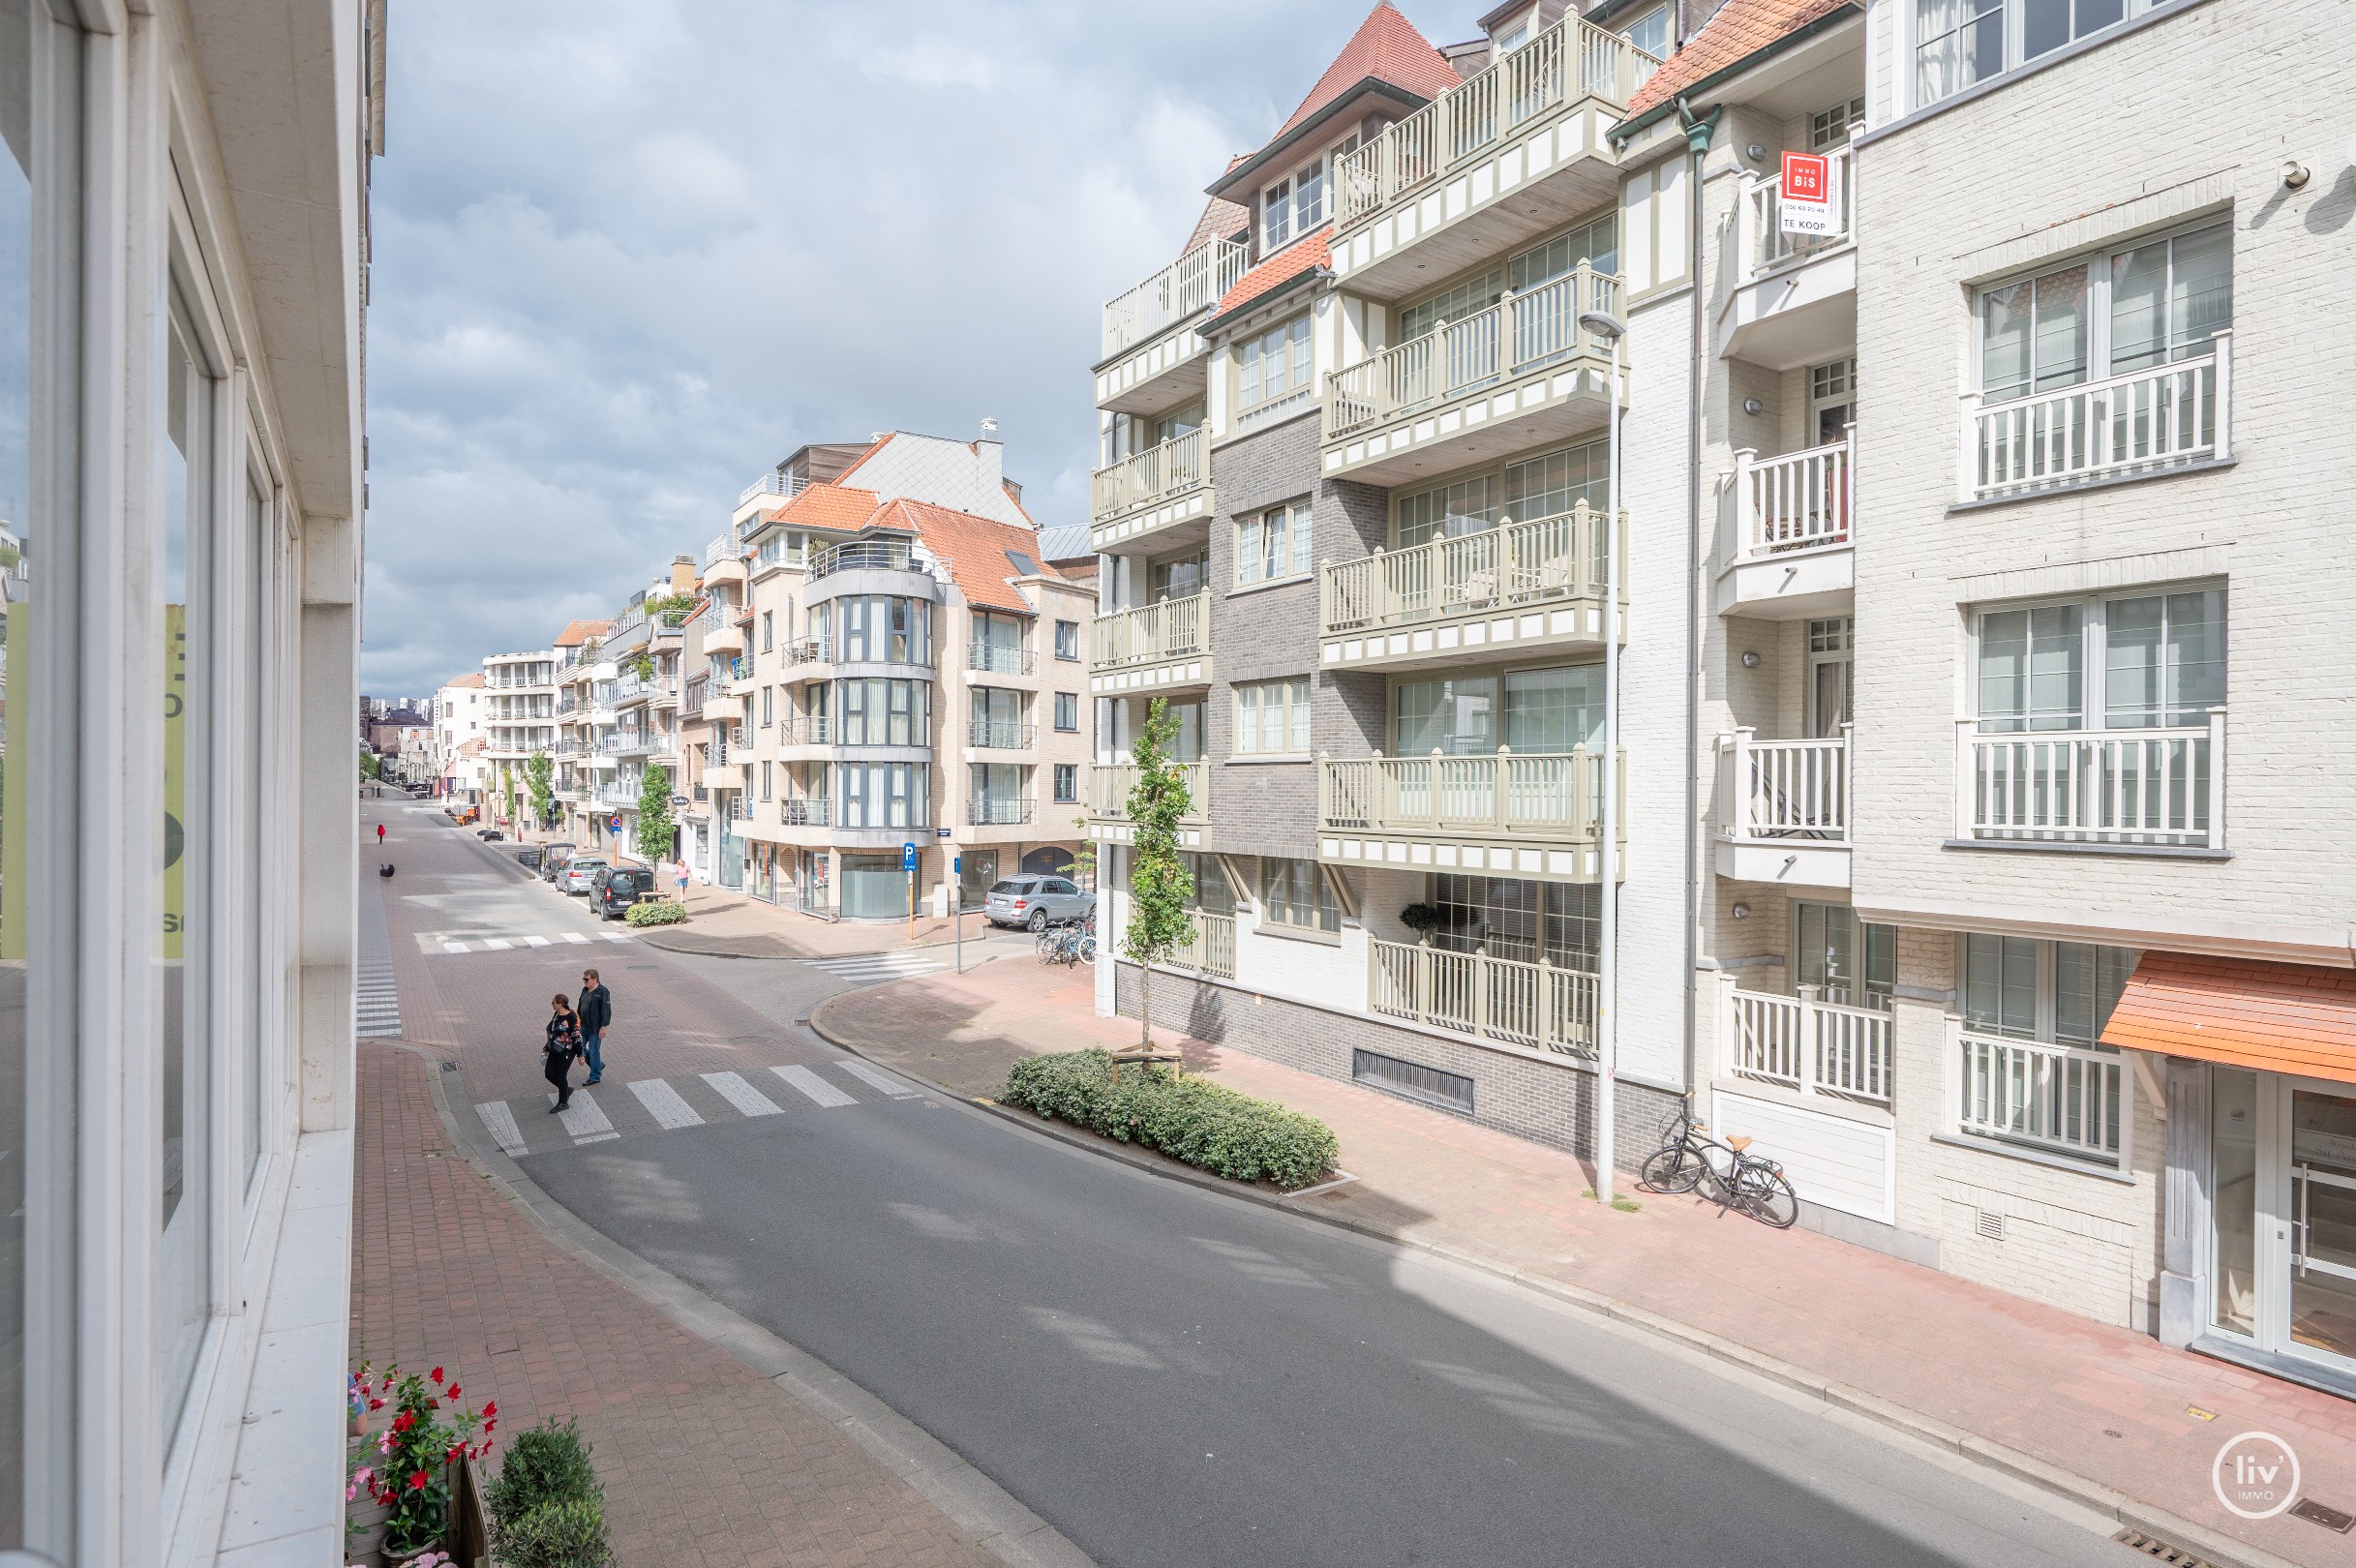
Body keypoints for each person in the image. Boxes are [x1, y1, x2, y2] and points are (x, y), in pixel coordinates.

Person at [543, 993, 583, 1113]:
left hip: (566, 1052)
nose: (552, 1004)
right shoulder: (556, 1015)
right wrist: (546, 1047)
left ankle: (563, 1102)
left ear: (560, 1004)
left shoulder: (571, 1017)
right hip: (554, 1049)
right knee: (549, 1074)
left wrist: (580, 1055)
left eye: (554, 1002)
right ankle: (566, 1089)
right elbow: (553, 1033)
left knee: (561, 1076)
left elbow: (576, 1036)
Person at [577, 967, 612, 1086]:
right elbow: (580, 1005)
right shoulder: (584, 990)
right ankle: (598, 1065)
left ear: (595, 979)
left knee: (593, 1051)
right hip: (583, 1025)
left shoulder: (603, 991)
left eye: (587, 980)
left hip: (595, 1028)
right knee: (578, 1047)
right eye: (584, 980)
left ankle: (595, 1076)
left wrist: (603, 1026)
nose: (585, 982)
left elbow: (606, 1009)